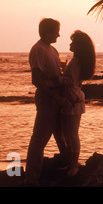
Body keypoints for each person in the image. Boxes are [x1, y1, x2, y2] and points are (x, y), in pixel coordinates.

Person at [25, 18, 72, 185]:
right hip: (48, 98)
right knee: (39, 139)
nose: (59, 34)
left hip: (57, 97)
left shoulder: (53, 50)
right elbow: (36, 79)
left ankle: (70, 168)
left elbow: (52, 75)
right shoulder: (38, 49)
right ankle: (31, 179)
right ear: (46, 32)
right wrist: (56, 98)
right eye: (56, 31)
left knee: (62, 136)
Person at [60, 30, 96, 177]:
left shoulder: (77, 61)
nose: (70, 44)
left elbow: (69, 81)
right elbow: (73, 79)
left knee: (72, 134)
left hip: (73, 100)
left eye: (73, 42)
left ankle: (74, 165)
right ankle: (72, 163)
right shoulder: (77, 61)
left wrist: (54, 76)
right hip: (74, 99)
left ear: (79, 45)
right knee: (68, 134)